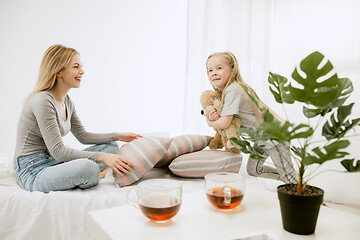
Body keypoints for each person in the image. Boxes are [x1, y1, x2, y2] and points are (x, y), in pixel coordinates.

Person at [14, 44, 143, 193]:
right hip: (32, 169)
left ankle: (85, 173)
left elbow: (82, 136)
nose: (82, 71)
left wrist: (118, 136)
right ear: (58, 71)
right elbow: (58, 151)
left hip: (53, 161)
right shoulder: (43, 101)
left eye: (81, 66)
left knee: (112, 147)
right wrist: (102, 157)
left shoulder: (66, 101)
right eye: (76, 67)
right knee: (88, 169)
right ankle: (94, 175)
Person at [205, 51, 297, 183]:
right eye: (210, 70)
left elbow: (225, 123)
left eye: (219, 68)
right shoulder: (229, 91)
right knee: (254, 169)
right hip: (263, 138)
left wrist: (210, 122)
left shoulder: (233, 90)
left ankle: (306, 194)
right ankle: (287, 179)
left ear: (232, 69)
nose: (214, 72)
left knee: (288, 174)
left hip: (275, 136)